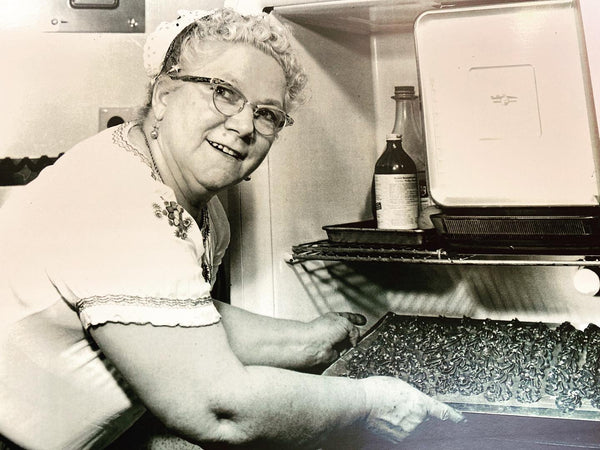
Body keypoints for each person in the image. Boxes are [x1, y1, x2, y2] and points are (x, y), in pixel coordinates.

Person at [0, 8, 463, 450]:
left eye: (267, 114)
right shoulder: (119, 201)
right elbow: (219, 409)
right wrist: (371, 403)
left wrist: (313, 339)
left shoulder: (201, 207)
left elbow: (188, 323)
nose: (244, 125)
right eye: (225, 91)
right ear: (164, 96)